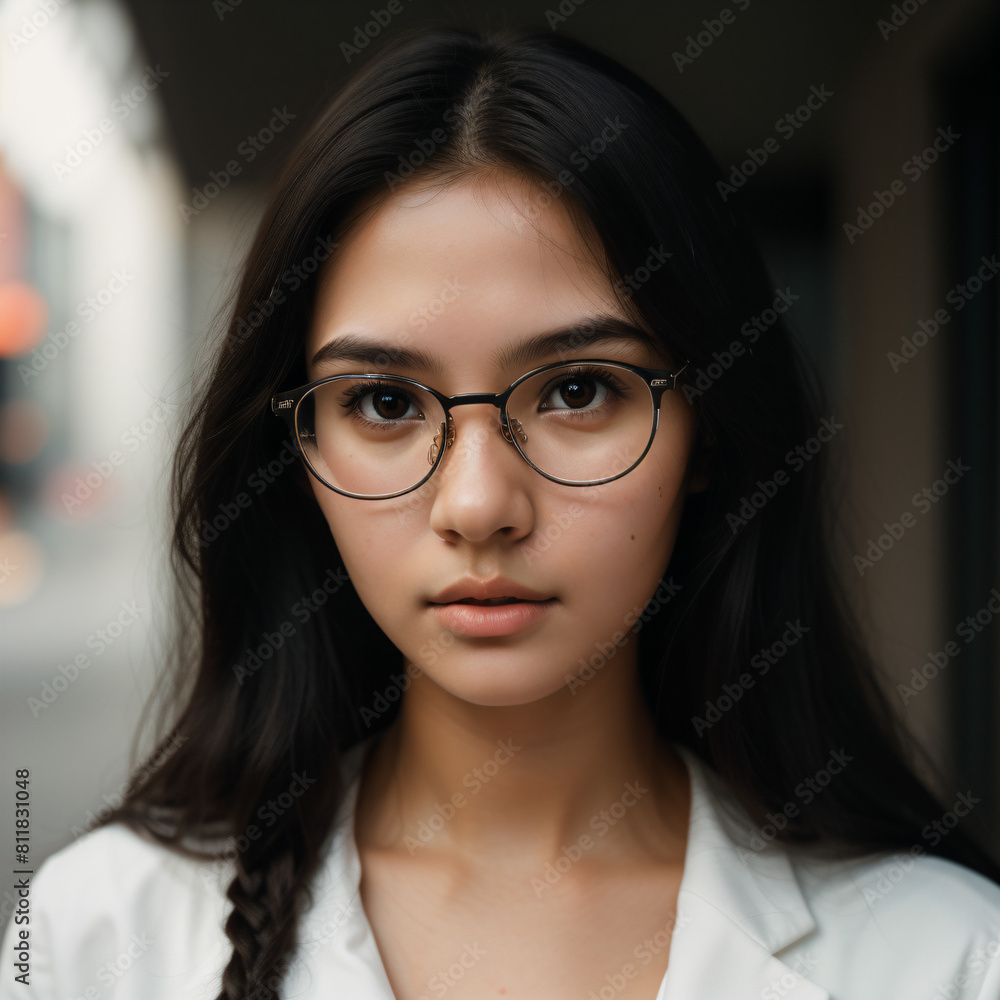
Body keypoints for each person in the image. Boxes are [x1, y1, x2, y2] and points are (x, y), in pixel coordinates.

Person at [3, 21, 1000, 1000]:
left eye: (576, 391)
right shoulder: (97, 937)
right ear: (295, 455)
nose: (478, 505)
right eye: (384, 403)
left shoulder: (944, 959)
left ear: (710, 425)